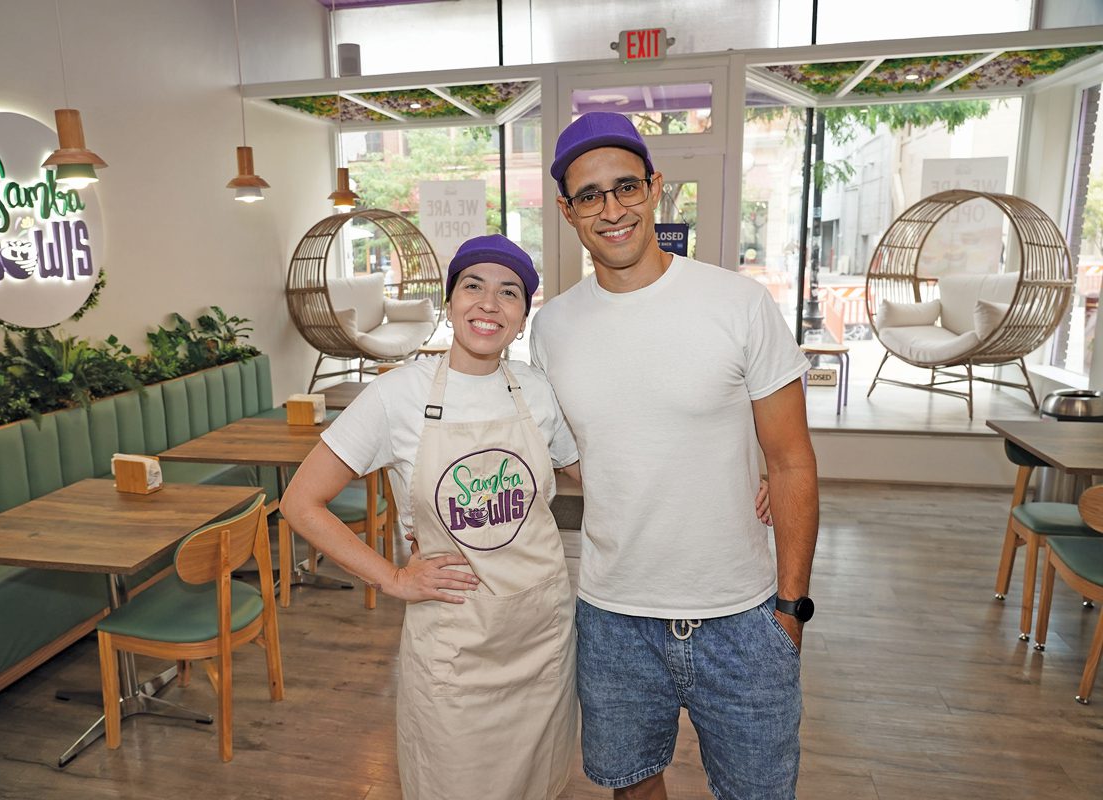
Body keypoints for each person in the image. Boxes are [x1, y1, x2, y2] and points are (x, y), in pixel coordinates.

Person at [531, 111, 819, 800]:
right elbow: (574, 456)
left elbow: (792, 462)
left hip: (743, 613)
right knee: (632, 787)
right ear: (569, 212)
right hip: (612, 613)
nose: (612, 209)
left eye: (625, 186)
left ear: (655, 188)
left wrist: (790, 610)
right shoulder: (551, 328)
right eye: (591, 196)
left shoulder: (738, 304)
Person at [280, 235, 580, 800]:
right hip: (455, 649)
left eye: (508, 292)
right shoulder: (396, 396)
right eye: (473, 286)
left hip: (541, 638)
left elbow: (598, 477)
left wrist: (722, 482)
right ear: (449, 302)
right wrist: (393, 577)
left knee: (538, 785)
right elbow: (300, 503)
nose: (489, 304)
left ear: (522, 318)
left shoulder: (538, 393)